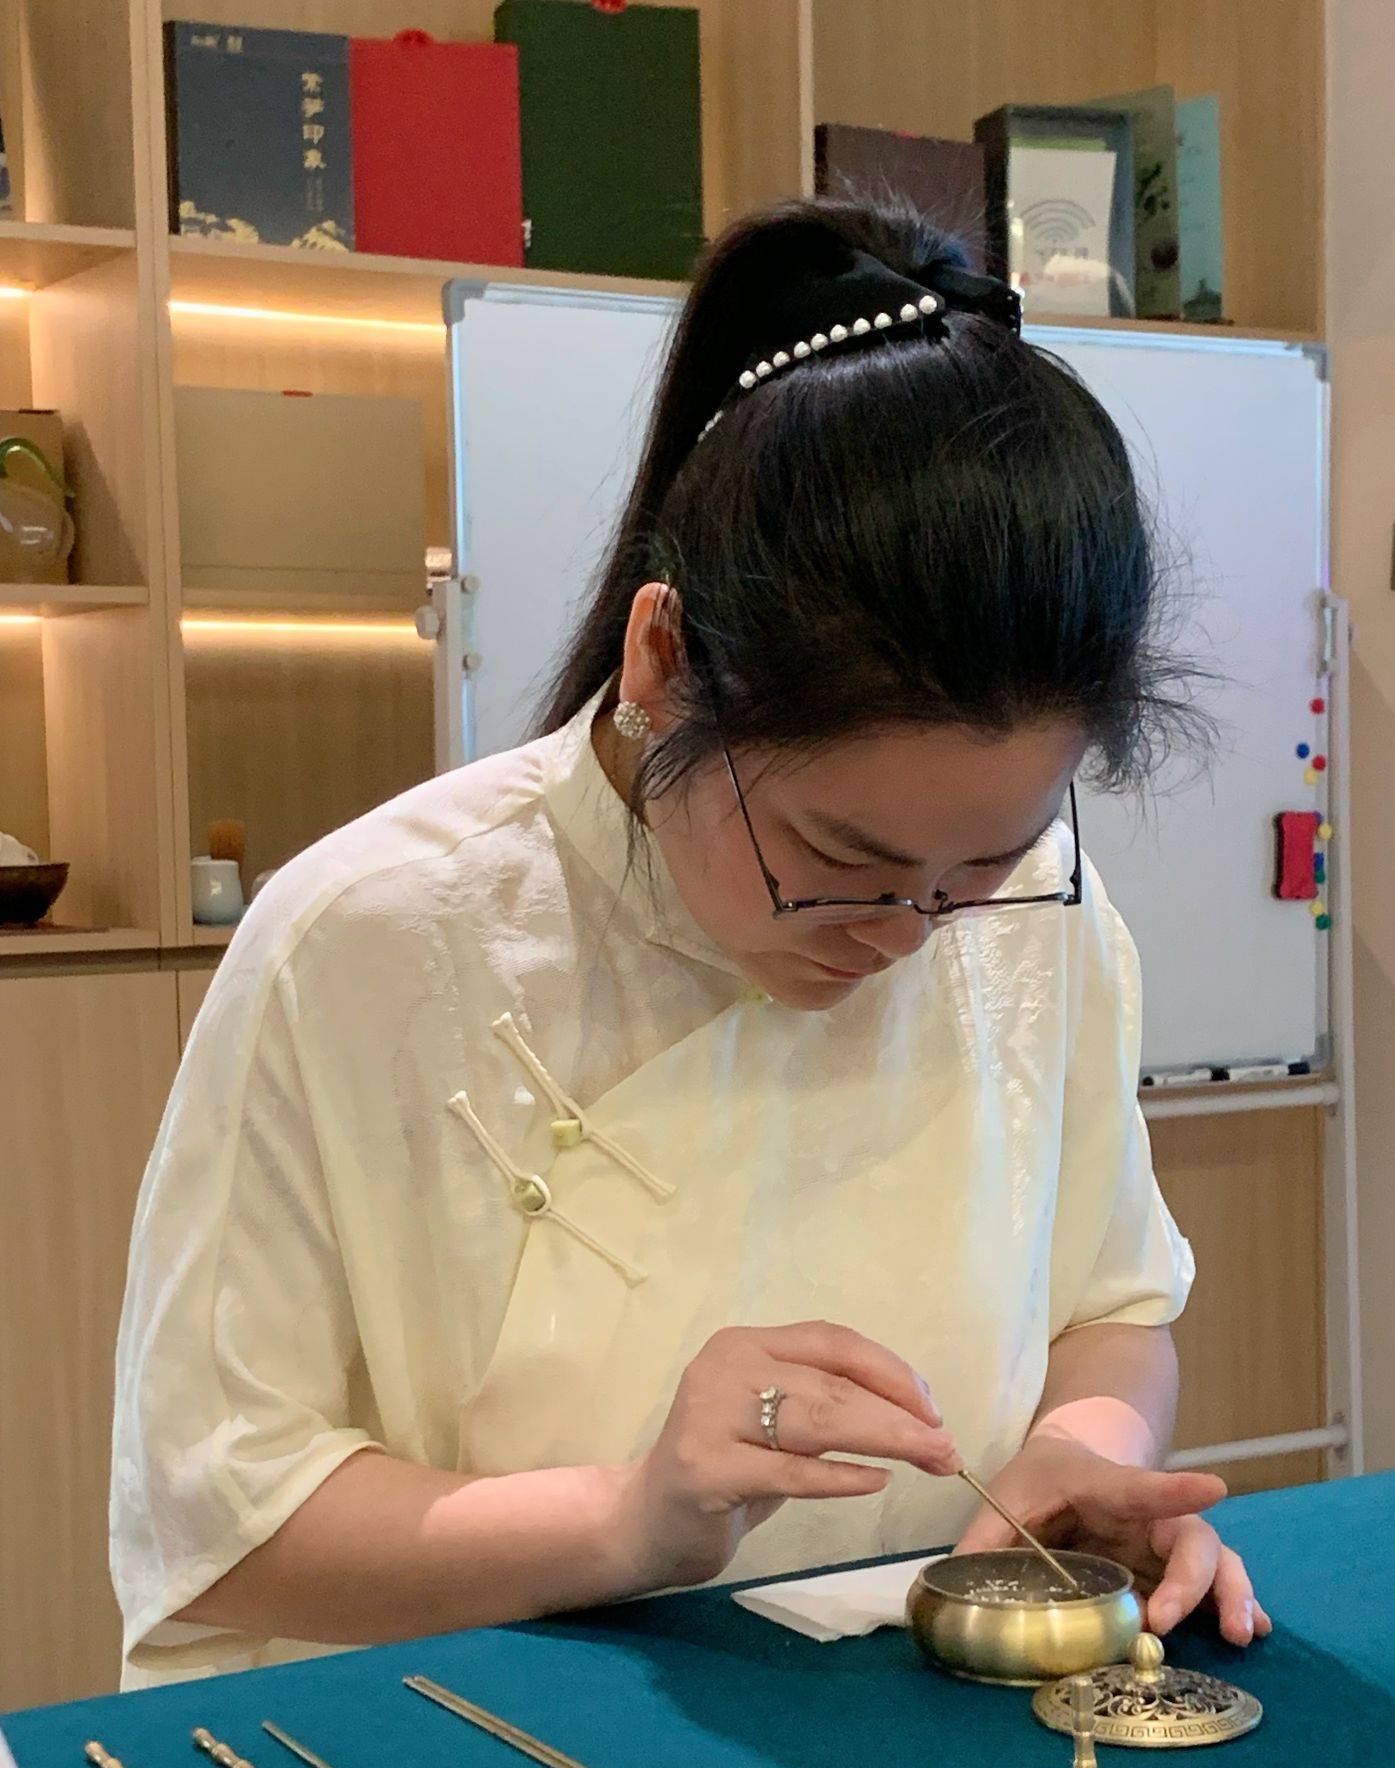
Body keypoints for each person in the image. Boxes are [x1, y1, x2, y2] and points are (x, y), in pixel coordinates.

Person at [109, 194, 1270, 1688]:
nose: (909, 936)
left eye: (985, 865)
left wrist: (1084, 1458)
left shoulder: (1048, 917)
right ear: (662, 660)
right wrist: (629, 1517)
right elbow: (220, 1522)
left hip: (917, 1722)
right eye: (840, 863)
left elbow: (1110, 1310)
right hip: (480, 1737)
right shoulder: (369, 941)